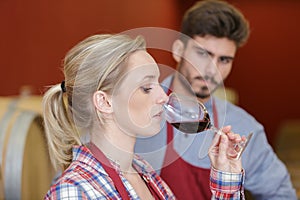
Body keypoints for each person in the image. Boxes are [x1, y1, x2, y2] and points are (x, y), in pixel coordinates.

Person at [43, 33, 246, 199]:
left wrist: (226, 176)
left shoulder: (143, 172)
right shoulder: (75, 192)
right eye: (146, 88)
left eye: (158, 83)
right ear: (104, 102)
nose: (163, 97)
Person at [135, 0, 297, 199]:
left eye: (224, 60)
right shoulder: (134, 109)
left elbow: (281, 194)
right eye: (203, 54)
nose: (212, 70)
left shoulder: (243, 128)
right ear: (178, 50)